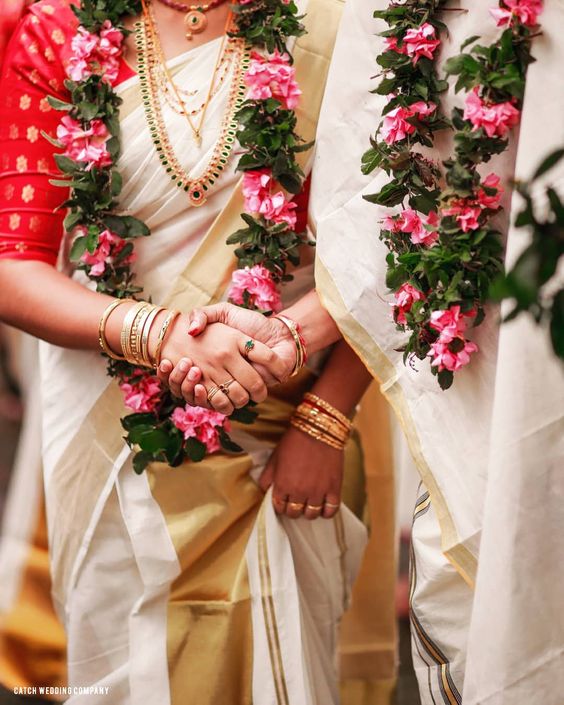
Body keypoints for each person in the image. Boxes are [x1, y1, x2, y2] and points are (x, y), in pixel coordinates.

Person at [161, 0, 564, 703]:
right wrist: (289, 336)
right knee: (479, 601)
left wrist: (324, 406)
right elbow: (393, 206)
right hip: (476, 356)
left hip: (520, 328)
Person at [0, 0, 393, 703]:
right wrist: (159, 334)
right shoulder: (60, 25)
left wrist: (327, 414)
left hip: (283, 416)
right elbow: (12, 261)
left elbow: (391, 239)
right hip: (110, 421)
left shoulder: (333, 22)